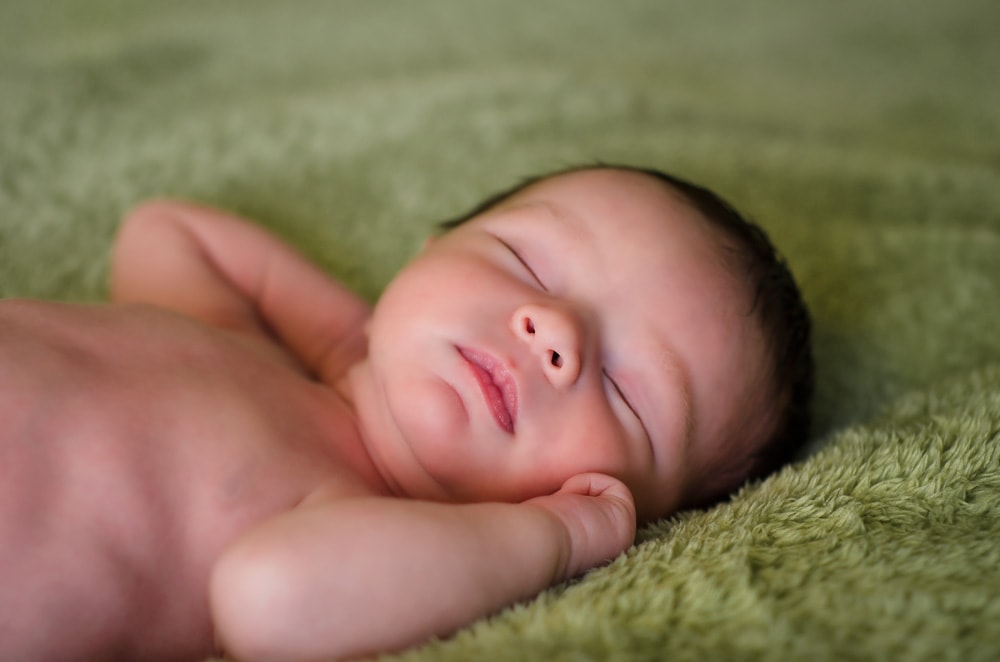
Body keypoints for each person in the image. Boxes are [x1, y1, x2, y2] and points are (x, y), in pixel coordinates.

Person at [0, 164, 812, 661]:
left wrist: (556, 538)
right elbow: (167, 233)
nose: (555, 331)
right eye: (524, 259)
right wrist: (348, 344)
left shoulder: (346, 522)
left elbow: (268, 600)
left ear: (613, 496)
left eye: (630, 392)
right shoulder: (246, 349)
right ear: (427, 251)